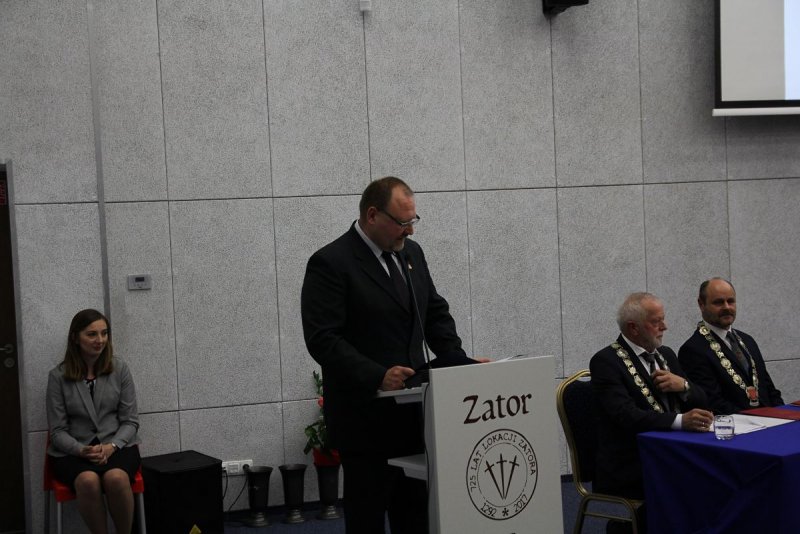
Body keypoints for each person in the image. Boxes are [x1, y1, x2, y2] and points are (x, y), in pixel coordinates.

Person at [301, 176, 480, 534]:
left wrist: (458, 365)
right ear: (372, 215)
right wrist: (377, 375)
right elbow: (323, 339)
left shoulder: (412, 254)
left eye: (413, 221)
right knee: (367, 518)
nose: (410, 230)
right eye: (402, 222)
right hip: (364, 419)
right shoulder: (331, 262)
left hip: (414, 415)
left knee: (415, 515)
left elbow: (434, 313)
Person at [590, 293, 711, 533]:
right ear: (633, 328)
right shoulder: (606, 362)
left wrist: (684, 386)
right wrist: (680, 421)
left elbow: (704, 400)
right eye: (656, 322)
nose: (664, 326)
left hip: (672, 448)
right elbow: (626, 416)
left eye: (663, 319)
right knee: (699, 475)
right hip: (630, 458)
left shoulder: (667, 355)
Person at [46, 309, 141, 534]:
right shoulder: (58, 376)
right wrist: (81, 450)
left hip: (117, 446)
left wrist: (112, 446)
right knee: (87, 481)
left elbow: (130, 421)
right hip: (74, 452)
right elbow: (57, 431)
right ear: (75, 338)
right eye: (92, 334)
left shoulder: (119, 369)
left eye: (104, 333)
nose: (100, 340)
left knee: (116, 478)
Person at [678, 278, 783, 415]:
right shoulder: (693, 350)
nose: (727, 307)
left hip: (770, 421)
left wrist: (784, 416)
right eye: (718, 302)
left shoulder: (748, 340)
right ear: (701, 304)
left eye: (731, 301)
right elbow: (712, 402)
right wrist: (758, 419)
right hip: (737, 424)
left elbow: (769, 389)